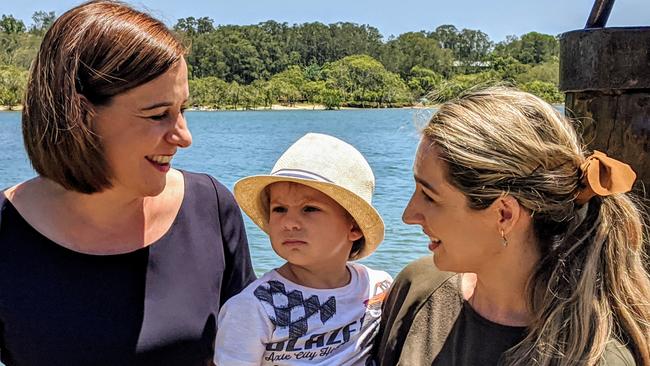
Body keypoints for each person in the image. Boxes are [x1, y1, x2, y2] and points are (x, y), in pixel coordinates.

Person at [0, 1, 255, 365]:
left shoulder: (210, 207)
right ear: (80, 115)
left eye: (182, 110)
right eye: (158, 115)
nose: (184, 137)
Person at [374, 87, 650, 366]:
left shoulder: (595, 358)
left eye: (429, 196)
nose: (409, 215)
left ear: (504, 214)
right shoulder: (417, 288)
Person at [214, 133, 393, 365]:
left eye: (309, 209)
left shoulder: (378, 289)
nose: (289, 222)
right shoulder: (253, 307)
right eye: (279, 209)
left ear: (355, 228)